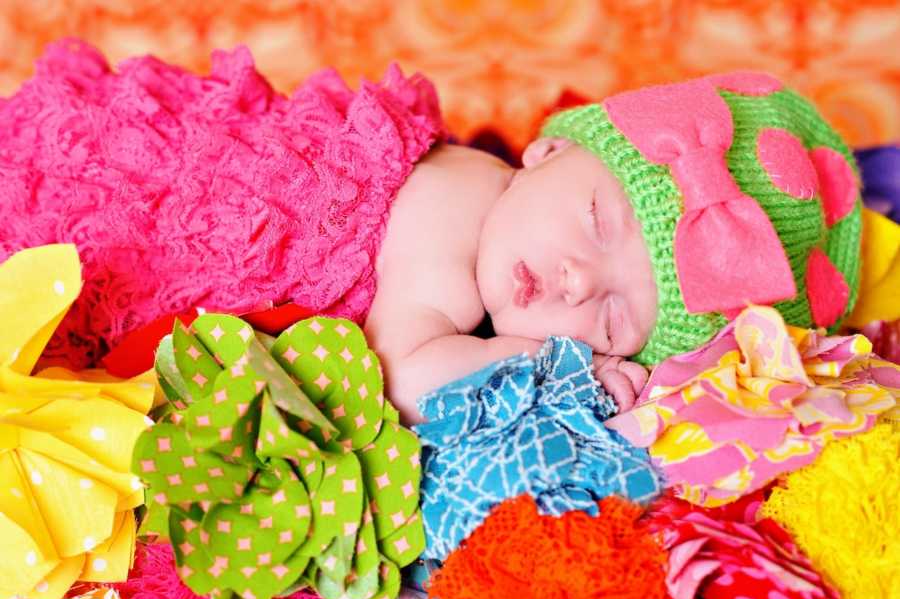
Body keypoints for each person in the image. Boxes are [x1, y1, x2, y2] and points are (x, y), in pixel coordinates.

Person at [0, 41, 861, 423]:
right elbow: (404, 381)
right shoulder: (449, 242)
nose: (573, 281)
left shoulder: (491, 193)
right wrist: (566, 360)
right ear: (550, 146)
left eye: (611, 319)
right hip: (130, 213)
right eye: (598, 221)